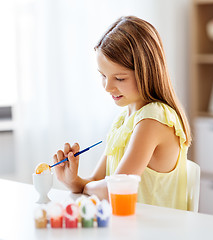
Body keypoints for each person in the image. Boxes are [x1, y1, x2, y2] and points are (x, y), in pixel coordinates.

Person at [53, 16, 192, 210]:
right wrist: (72, 180)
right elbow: (96, 181)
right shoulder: (123, 120)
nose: (108, 87)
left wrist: (88, 187)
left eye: (119, 78)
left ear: (146, 72)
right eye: (103, 76)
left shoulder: (153, 119)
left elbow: (115, 190)